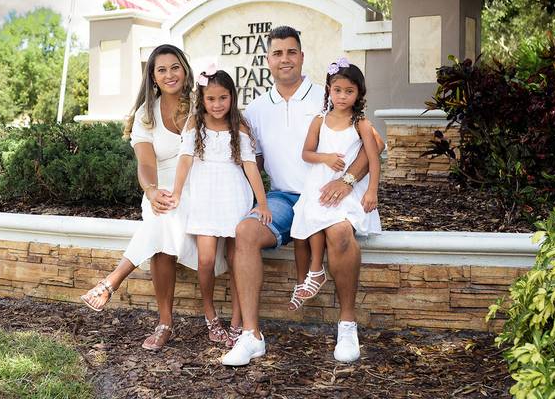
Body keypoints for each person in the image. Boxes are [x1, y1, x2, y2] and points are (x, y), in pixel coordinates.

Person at [221, 26, 383, 366]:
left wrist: (349, 180)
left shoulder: (331, 95)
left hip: (329, 194)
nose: (285, 59)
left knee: (340, 234)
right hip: (283, 198)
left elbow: (375, 145)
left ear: (302, 56)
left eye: (291, 52)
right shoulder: (256, 109)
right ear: (268, 60)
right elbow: (253, 162)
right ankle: (251, 336)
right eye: (277, 53)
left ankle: (347, 326)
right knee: (245, 231)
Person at [80, 44, 224, 351]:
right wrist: (151, 191)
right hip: (161, 186)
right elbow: (146, 165)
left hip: (203, 184)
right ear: (153, 77)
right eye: (162, 70)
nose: (170, 75)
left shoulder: (203, 101)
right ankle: (166, 321)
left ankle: (114, 283)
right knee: (163, 214)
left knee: (162, 224)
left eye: (175, 67)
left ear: (185, 70)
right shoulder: (146, 114)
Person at [171, 67, 272, 347]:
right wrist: (177, 192)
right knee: (205, 260)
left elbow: (250, 166)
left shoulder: (239, 125)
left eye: (223, 98)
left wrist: (262, 203)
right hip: (204, 196)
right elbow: (184, 160)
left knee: (236, 260)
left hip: (234, 195)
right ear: (202, 100)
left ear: (232, 97)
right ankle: (211, 316)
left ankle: (238, 322)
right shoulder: (195, 123)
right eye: (211, 99)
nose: (217, 105)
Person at [287, 59, 381, 313]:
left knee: (323, 216)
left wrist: (372, 190)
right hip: (319, 181)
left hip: (347, 189)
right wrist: (325, 158)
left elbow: (373, 158)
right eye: (337, 90)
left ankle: (316, 271)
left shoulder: (360, 123)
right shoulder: (319, 120)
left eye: (349, 91)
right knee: (307, 217)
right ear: (329, 89)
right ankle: (313, 272)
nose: (342, 96)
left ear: (359, 93)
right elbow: (306, 153)